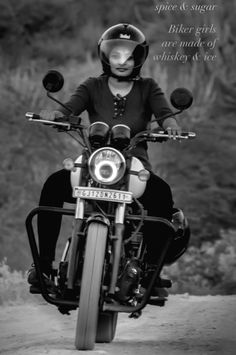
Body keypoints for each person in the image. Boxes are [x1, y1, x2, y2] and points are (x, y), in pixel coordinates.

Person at [28, 23, 190, 294]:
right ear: (105, 56)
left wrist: (170, 124)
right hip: (94, 161)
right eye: (116, 54)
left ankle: (150, 272)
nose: (122, 61)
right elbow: (70, 108)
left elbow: (163, 114)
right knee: (53, 187)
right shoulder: (92, 85)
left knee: (162, 195)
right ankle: (43, 266)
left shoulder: (149, 87)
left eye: (129, 55)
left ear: (139, 57)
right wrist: (55, 115)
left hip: (134, 165)